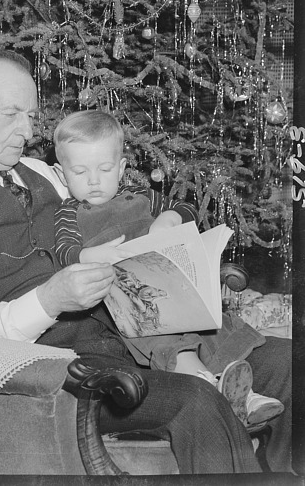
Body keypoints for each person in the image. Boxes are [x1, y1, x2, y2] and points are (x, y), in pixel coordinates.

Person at [0, 50, 292, 475]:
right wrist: (50, 299)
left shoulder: (40, 171)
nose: (27, 131)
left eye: (31, 115)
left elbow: (127, 206)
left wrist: (169, 222)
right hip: (60, 367)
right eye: (12, 114)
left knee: (291, 365)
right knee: (199, 400)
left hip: (132, 331)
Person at [52, 109, 284, 429]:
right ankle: (212, 388)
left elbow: (186, 208)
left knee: (215, 330)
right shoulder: (69, 213)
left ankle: (247, 395)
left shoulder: (141, 197)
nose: (93, 180)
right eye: (79, 172)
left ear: (120, 169)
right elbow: (64, 252)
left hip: (174, 289)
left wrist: (170, 218)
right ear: (62, 176)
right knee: (168, 344)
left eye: (104, 169)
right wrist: (90, 255)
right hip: (133, 308)